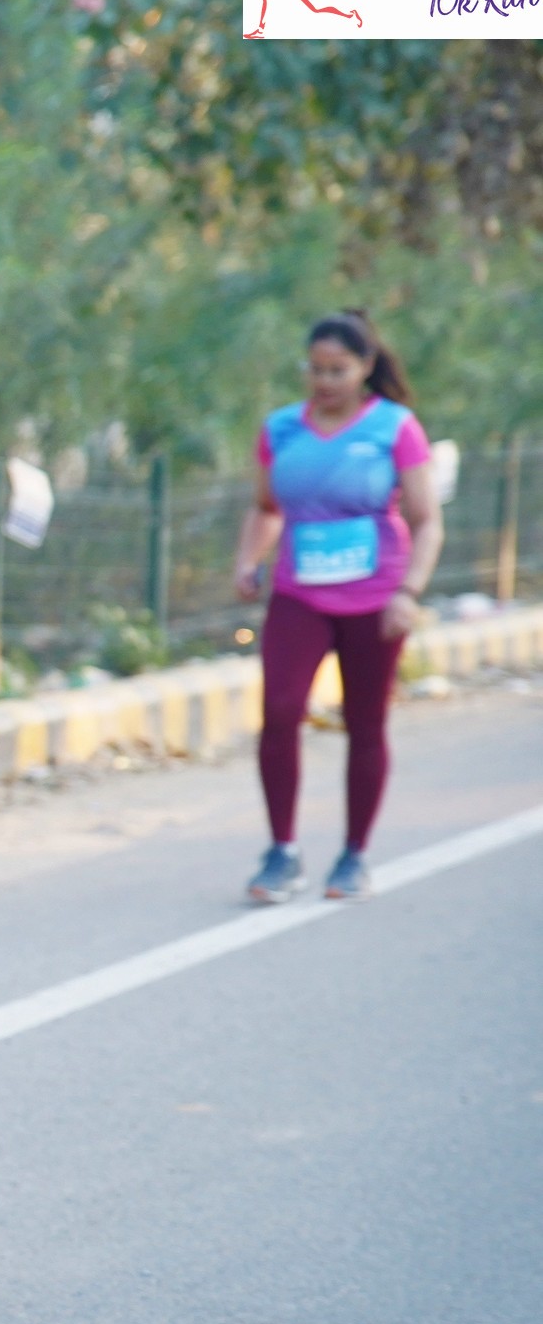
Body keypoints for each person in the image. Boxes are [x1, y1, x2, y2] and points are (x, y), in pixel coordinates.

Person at [232, 309, 442, 904]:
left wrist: (408, 593)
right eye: (315, 369)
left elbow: (427, 520)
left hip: (375, 599)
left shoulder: (394, 428)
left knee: (365, 721)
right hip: (300, 595)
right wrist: (248, 560)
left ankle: (354, 855)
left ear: (365, 367)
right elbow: (266, 508)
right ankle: (282, 851)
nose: (324, 381)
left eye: (338, 370)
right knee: (280, 712)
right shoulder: (280, 429)